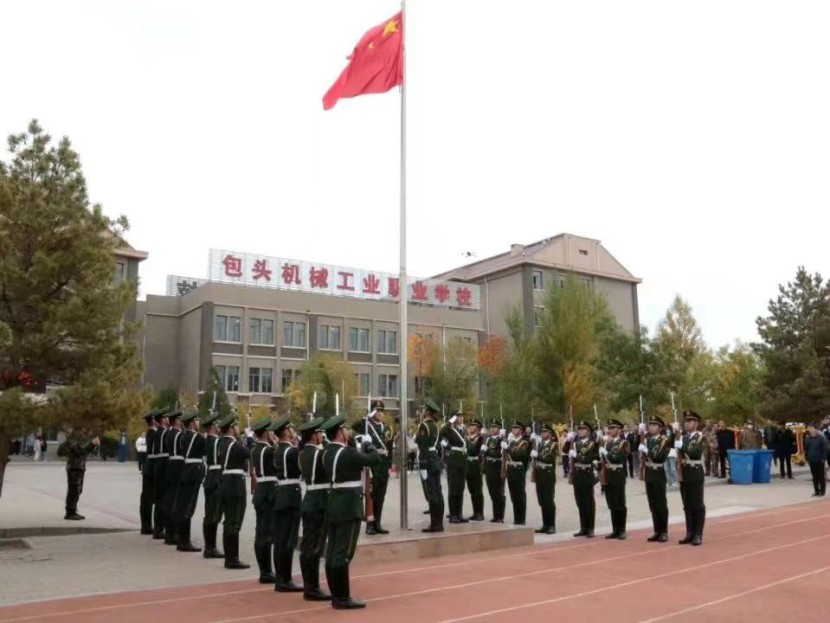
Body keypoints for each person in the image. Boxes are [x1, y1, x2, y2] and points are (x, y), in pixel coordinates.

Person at [321, 414, 381, 609]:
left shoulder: (327, 452)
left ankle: (335, 594)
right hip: (348, 505)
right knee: (344, 553)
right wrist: (369, 445)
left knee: (332, 551)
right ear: (340, 433)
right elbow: (374, 460)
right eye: (346, 429)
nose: (348, 431)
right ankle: (342, 598)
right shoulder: (346, 453)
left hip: (334, 501)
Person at [298, 416, 331, 602]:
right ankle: (312, 588)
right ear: (314, 436)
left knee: (308, 545)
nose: (322, 436)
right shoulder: (320, 454)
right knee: (315, 546)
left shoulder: (303, 454)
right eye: (319, 433)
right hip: (319, 501)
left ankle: (309, 585)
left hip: (309, 498)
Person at [271, 415, 303, 592]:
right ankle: (285, 579)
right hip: (291, 495)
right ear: (285, 432)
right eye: (290, 428)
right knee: (288, 540)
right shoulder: (291, 452)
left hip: (281, 494)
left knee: (281, 539)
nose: (293, 431)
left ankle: (280, 578)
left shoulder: (278, 450)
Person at [217, 413, 251, 569]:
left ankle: (229, 557)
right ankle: (232, 559)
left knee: (228, 522)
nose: (238, 428)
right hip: (235, 485)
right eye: (236, 425)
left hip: (225, 483)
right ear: (231, 428)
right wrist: (250, 439)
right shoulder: (235, 445)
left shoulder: (222, 443)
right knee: (234, 522)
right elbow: (250, 454)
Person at [353, 400, 392, 534]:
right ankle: (369, 524)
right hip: (372, 466)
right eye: (377, 411)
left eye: (381, 411)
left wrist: (389, 465)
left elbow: (389, 448)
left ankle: (377, 523)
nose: (380, 413)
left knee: (381, 496)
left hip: (383, 466)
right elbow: (354, 425)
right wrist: (367, 417)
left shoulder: (388, 428)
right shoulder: (366, 426)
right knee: (371, 495)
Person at [250, 416, 277, 584]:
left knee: (260, 532)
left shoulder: (255, 449)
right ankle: (266, 572)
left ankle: (264, 570)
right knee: (266, 533)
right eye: (271, 432)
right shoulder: (270, 450)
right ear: (266, 433)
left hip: (261, 490)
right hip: (269, 492)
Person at [175, 409, 205, 552]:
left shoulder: (183, 436)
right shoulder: (198, 438)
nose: (199, 422)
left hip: (186, 470)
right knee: (188, 508)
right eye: (197, 420)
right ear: (192, 423)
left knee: (183, 506)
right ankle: (184, 541)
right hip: (194, 472)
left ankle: (182, 539)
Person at [677, 410, 707, 546]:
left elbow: (695, 453)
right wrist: (674, 431)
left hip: (695, 472)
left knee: (697, 505)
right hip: (684, 472)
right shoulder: (682, 437)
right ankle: (689, 532)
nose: (687, 424)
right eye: (685, 421)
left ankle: (698, 534)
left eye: (689, 421)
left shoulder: (701, 437)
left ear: (696, 423)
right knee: (687, 505)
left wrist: (681, 445)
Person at [417, 398, 445, 533]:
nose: (422, 411)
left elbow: (422, 446)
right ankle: (439, 522)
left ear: (427, 412)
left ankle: (435, 524)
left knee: (432, 493)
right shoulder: (435, 425)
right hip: (435, 459)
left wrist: (422, 466)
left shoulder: (424, 426)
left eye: (423, 409)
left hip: (427, 460)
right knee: (438, 492)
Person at [641, 415, 671, 542]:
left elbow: (659, 456)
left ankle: (663, 531)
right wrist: (640, 433)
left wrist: (646, 450)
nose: (651, 427)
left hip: (658, 473)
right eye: (650, 425)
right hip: (649, 473)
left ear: (660, 428)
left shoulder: (664, 440)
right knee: (652, 504)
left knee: (660, 504)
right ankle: (656, 531)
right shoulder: (647, 440)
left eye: (654, 425)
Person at [57, 434, 101, 520]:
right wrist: (92, 443)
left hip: (78, 468)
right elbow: (82, 452)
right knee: (73, 491)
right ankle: (69, 513)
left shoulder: (76, 442)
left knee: (77, 490)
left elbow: (83, 451)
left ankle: (73, 511)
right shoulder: (73, 442)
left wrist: (92, 444)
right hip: (74, 469)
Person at [601, 419, 630, 540]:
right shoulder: (607, 444)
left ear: (619, 429)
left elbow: (618, 458)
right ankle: (615, 529)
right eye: (610, 428)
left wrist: (606, 453)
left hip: (618, 474)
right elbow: (604, 461)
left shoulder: (624, 443)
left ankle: (622, 530)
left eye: (613, 428)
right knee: (611, 503)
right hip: (608, 474)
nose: (611, 430)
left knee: (619, 503)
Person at [201, 412, 224, 560]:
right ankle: (210, 548)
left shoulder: (206, 440)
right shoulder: (217, 441)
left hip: (209, 476)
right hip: (216, 478)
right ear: (213, 426)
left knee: (209, 514)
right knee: (214, 515)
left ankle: (209, 546)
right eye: (217, 423)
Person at [570, 420, 599, 538]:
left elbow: (589, 458)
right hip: (577, 475)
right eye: (579, 429)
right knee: (580, 502)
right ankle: (583, 527)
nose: (580, 431)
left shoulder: (592, 444)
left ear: (588, 431)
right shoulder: (576, 443)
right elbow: (565, 450)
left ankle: (590, 528)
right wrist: (569, 439)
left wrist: (576, 455)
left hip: (587, 475)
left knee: (588, 503)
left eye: (583, 429)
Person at [440, 411, 469, 524]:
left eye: (462, 416)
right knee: (453, 488)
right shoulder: (450, 429)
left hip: (462, 460)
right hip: (453, 460)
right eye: (459, 416)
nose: (461, 418)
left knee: (460, 488)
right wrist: (450, 421)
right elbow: (442, 432)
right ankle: (453, 514)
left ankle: (459, 513)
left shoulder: (463, 429)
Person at [163, 408, 185, 546]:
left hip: (170, 466)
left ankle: (169, 533)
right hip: (178, 467)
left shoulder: (169, 433)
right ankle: (174, 533)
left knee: (170, 500)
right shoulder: (179, 435)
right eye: (180, 419)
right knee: (176, 501)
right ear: (176, 421)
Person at [532, 423, 558, 534]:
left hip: (548, 475)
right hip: (540, 474)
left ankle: (551, 525)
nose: (543, 434)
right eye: (542, 432)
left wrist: (537, 456)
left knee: (549, 500)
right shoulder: (540, 445)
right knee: (542, 500)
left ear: (550, 434)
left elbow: (549, 458)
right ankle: (545, 524)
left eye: (545, 432)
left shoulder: (553, 445)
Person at [139, 409, 161, 535]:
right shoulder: (154, 433)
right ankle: (146, 526)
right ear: (153, 420)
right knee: (148, 498)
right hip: (152, 468)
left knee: (146, 498)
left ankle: (146, 525)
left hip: (149, 467)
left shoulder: (150, 432)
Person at [504, 421, 529, 525]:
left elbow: (516, 456)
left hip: (519, 471)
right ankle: (516, 519)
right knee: (513, 497)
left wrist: (507, 447)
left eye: (516, 428)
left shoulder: (524, 442)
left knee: (520, 497)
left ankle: (521, 519)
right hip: (511, 471)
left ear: (521, 430)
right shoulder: (511, 442)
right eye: (513, 428)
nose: (513, 429)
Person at [151, 409, 171, 540]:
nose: (168, 419)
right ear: (162, 420)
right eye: (166, 417)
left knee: (160, 499)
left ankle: (158, 528)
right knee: (162, 499)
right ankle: (159, 529)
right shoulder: (164, 432)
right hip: (163, 465)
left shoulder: (159, 431)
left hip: (159, 465)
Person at [482, 421, 506, 523]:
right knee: (492, 491)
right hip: (489, 466)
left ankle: (500, 516)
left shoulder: (501, 439)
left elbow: (499, 454)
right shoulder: (488, 439)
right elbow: (484, 454)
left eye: (495, 427)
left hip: (497, 466)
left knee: (498, 492)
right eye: (491, 427)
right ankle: (495, 515)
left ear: (499, 429)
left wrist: (487, 451)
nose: (492, 429)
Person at [465, 418, 485, 521]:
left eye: (473, 426)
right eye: (470, 425)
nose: (470, 427)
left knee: (478, 491)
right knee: (472, 490)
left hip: (476, 466)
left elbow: (473, 450)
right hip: (468, 466)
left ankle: (480, 513)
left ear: (477, 428)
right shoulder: (467, 438)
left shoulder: (480, 438)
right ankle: (475, 512)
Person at [805, 423, 827, 497]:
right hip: (811, 460)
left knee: (821, 476)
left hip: (819, 460)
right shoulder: (807, 438)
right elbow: (806, 449)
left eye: (812, 428)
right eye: (810, 428)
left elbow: (824, 449)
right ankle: (816, 491)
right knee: (814, 477)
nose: (810, 430)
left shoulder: (821, 438)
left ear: (816, 429)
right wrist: (807, 458)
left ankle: (822, 491)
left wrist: (823, 458)